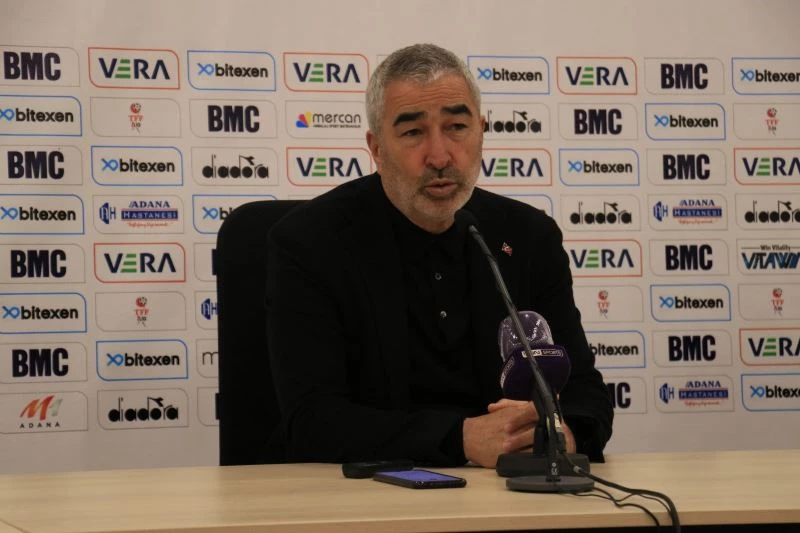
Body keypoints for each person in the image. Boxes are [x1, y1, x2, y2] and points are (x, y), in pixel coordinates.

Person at [266, 43, 612, 467]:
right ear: (376, 148)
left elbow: (584, 394)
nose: (440, 156)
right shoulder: (311, 243)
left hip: (506, 491)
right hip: (369, 495)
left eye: (457, 127)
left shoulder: (527, 237)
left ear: (481, 131)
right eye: (413, 132)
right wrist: (460, 439)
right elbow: (311, 421)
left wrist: (562, 434)